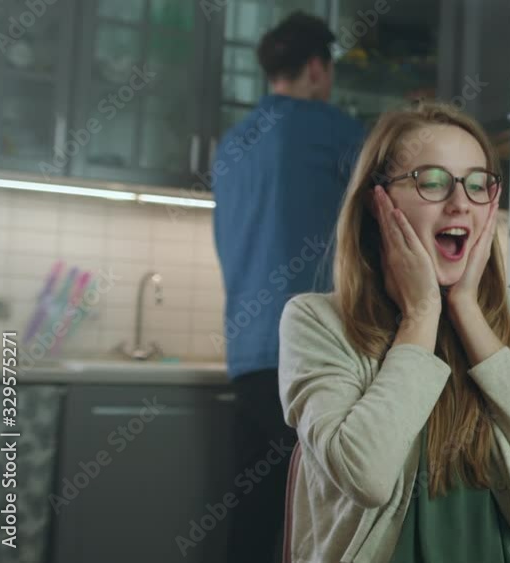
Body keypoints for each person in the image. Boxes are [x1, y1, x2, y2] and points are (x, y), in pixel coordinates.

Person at [277, 100, 510, 562]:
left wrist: (465, 307)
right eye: (433, 182)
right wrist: (421, 314)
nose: (461, 202)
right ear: (377, 202)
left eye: (478, 184)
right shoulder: (315, 322)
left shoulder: (508, 317)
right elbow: (367, 476)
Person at [212, 11, 364, 563]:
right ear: (318, 70)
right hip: (308, 353)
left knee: (253, 515)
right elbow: (385, 209)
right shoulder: (331, 129)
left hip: (248, 358)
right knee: (321, 517)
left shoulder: (230, 145)